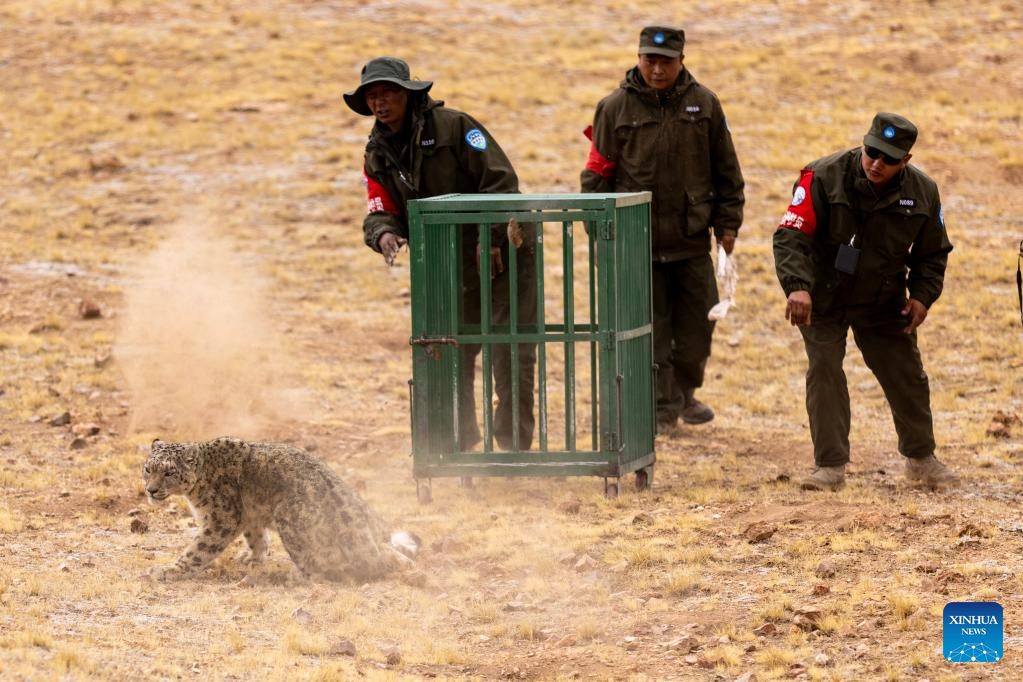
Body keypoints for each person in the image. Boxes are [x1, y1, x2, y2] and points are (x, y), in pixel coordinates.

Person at [344, 57, 536, 451]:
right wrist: (384, 235)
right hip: (446, 265)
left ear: (409, 94)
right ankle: (460, 446)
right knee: (452, 350)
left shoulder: (457, 127)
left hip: (504, 255)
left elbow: (501, 183)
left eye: (388, 93)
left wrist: (493, 237)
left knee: (510, 349)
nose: (380, 103)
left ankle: (514, 445)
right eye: (372, 96)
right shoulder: (376, 153)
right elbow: (380, 207)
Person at [773, 112, 958, 490]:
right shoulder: (822, 176)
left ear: (905, 160)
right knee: (824, 371)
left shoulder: (923, 191)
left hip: (883, 299)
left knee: (906, 373)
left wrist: (922, 296)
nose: (877, 163)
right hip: (822, 296)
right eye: (871, 152)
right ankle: (830, 467)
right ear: (863, 144)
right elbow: (791, 236)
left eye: (889, 158)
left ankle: (921, 459)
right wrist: (797, 286)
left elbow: (933, 253)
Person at [581, 26, 745, 430]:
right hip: (637, 244)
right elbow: (596, 176)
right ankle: (661, 408)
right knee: (652, 333)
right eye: (649, 60)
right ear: (638, 58)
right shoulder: (613, 108)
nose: (656, 69)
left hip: (691, 243)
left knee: (697, 332)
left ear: (681, 61)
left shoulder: (705, 105)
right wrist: (599, 234)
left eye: (665, 61)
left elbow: (727, 170)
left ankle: (685, 392)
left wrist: (727, 224)